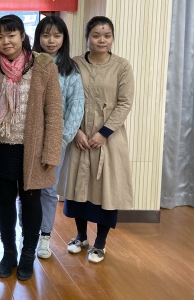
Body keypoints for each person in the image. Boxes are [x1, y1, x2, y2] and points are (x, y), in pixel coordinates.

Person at [0, 14, 63, 282]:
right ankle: (9, 252)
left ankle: (28, 254)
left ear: (22, 36)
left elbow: (54, 111)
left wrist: (51, 151)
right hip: (2, 147)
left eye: (11, 35)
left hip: (33, 150)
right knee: (5, 201)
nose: (5, 41)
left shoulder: (43, 65)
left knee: (31, 202)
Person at [61, 16, 135, 264]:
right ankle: (81, 236)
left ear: (112, 38)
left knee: (106, 191)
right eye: (96, 35)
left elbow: (124, 103)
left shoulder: (122, 66)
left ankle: (100, 243)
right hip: (80, 136)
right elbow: (66, 98)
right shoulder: (75, 64)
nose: (102, 40)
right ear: (87, 38)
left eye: (107, 35)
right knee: (78, 187)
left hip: (108, 139)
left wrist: (103, 133)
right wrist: (77, 131)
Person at [32, 16, 84, 259]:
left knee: (49, 190)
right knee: (27, 188)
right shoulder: (29, 63)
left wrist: (63, 139)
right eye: (45, 35)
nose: (51, 40)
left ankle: (45, 236)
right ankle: (28, 233)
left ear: (64, 38)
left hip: (56, 139)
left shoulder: (70, 69)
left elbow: (77, 106)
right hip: (28, 139)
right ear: (38, 37)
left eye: (56, 35)